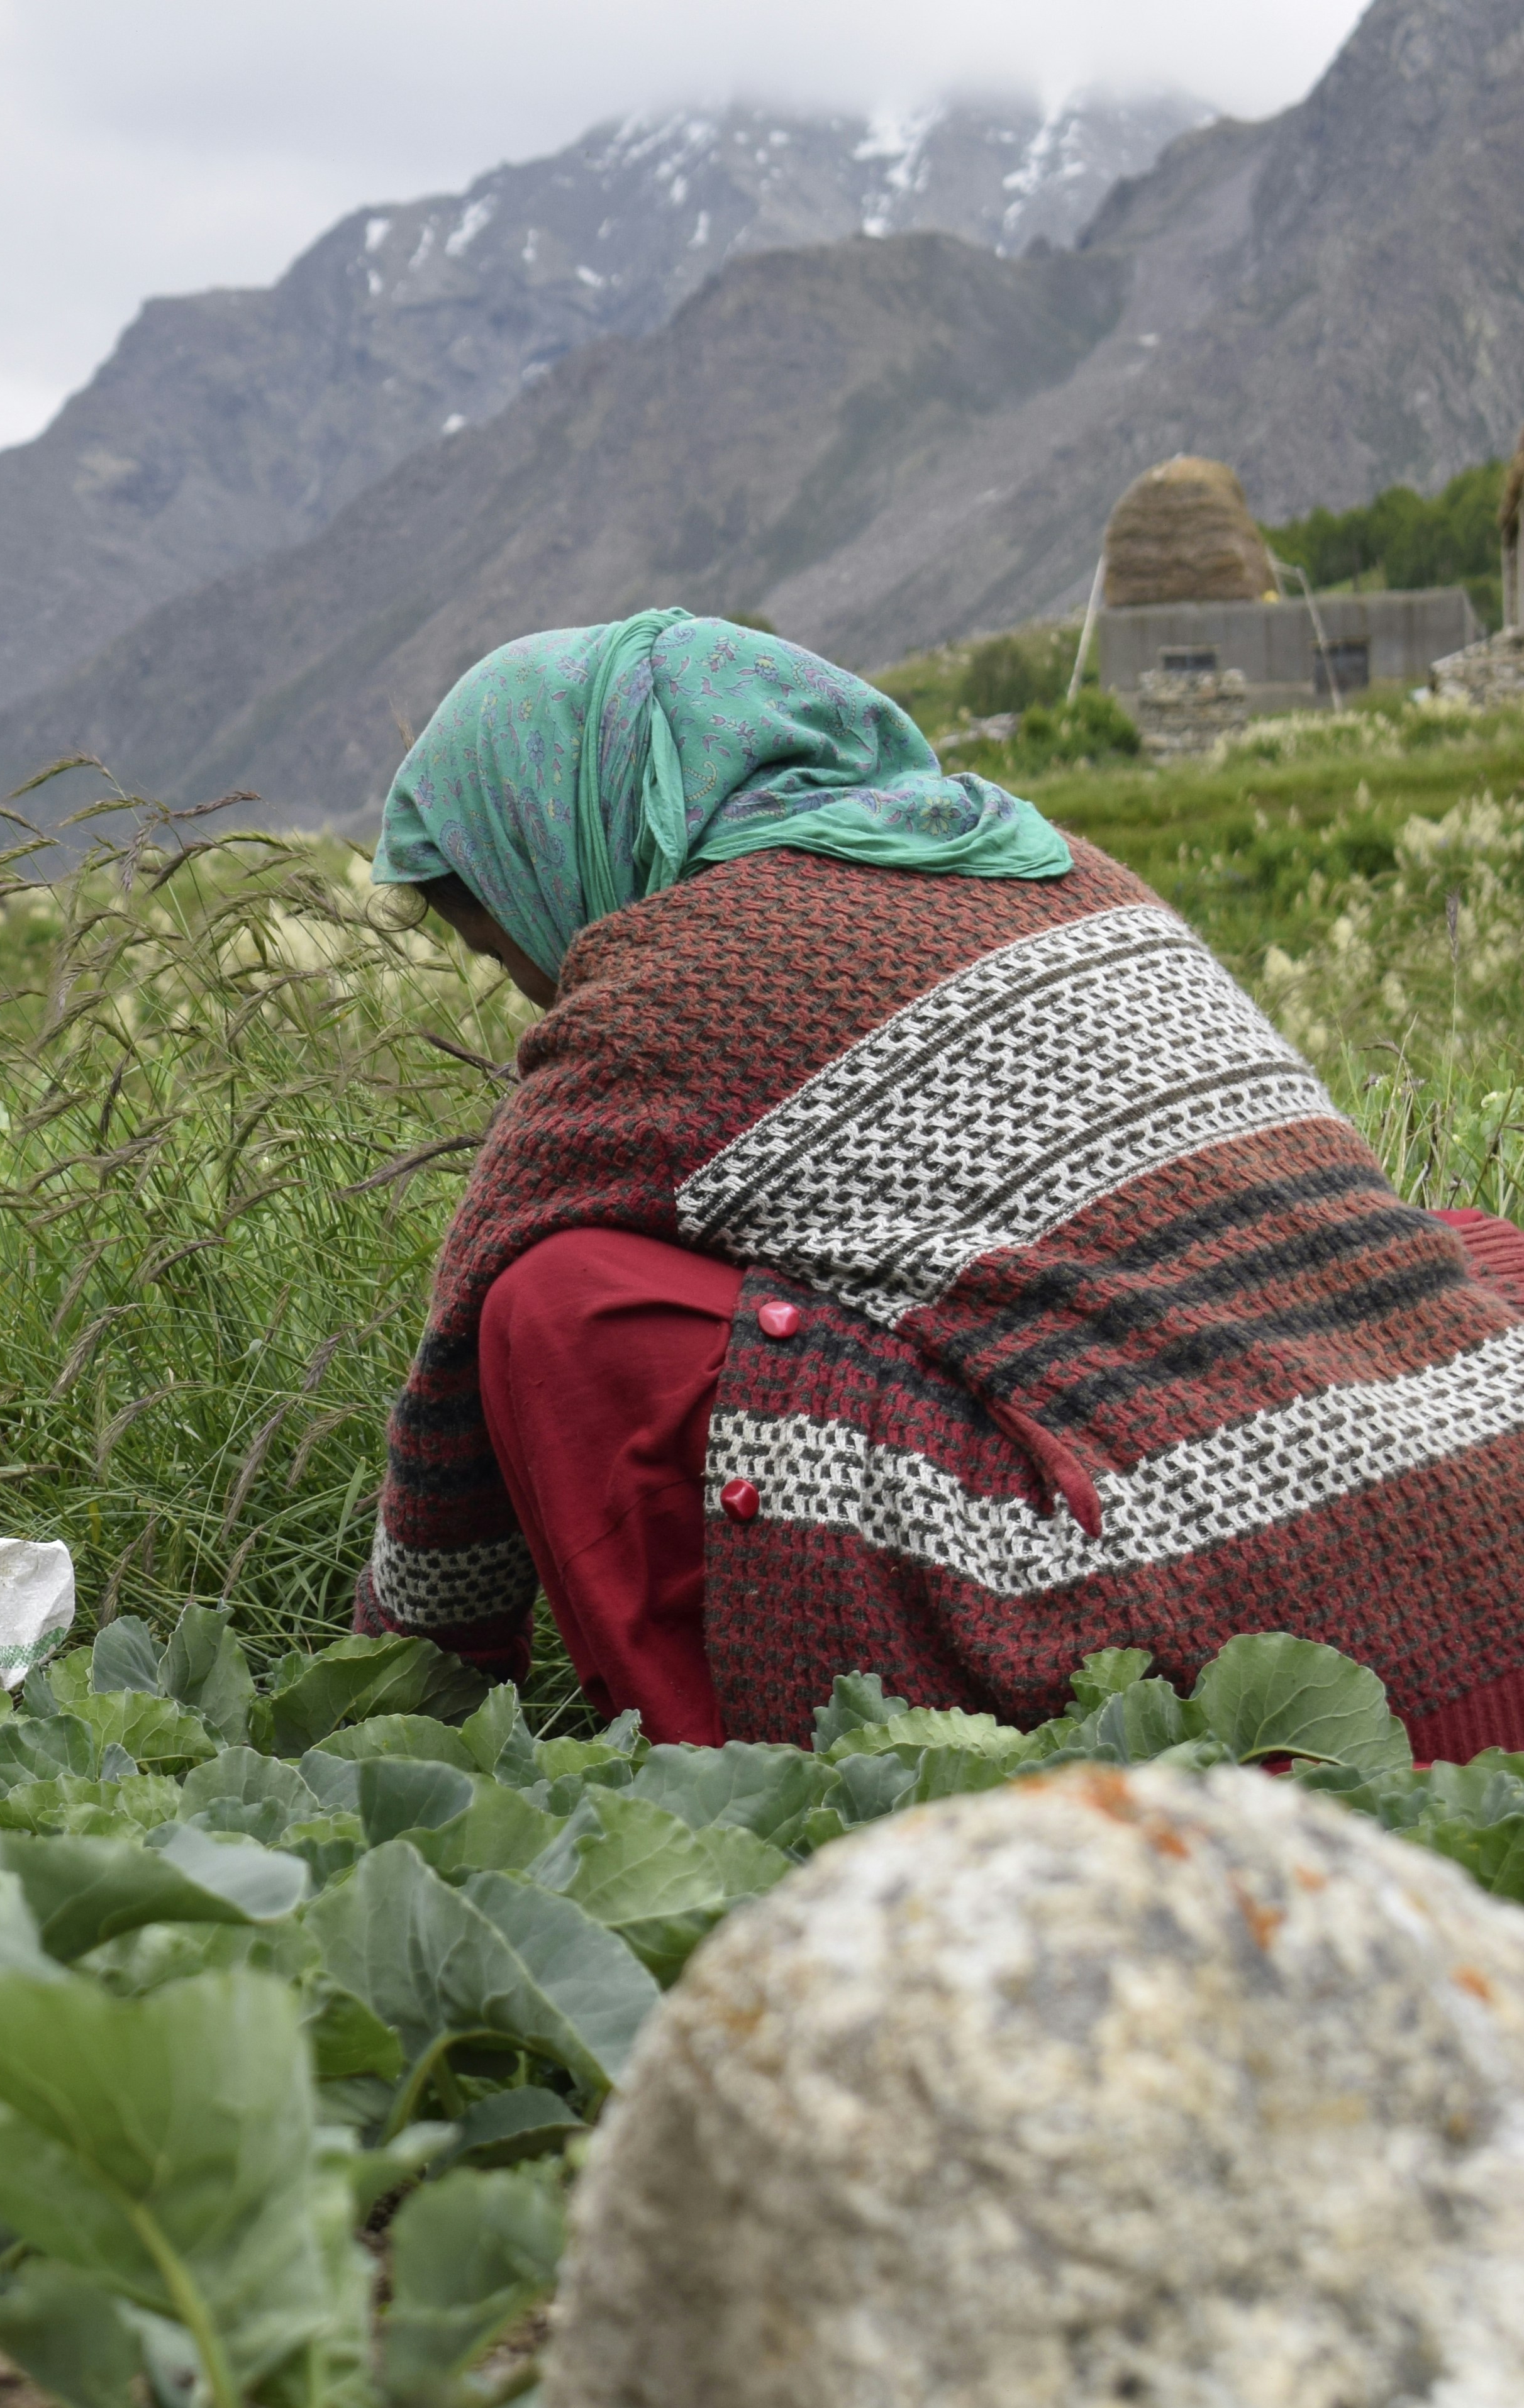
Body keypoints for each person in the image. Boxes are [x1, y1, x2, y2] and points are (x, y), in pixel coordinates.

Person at [356, 608, 1524, 1757]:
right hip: (1487, 1532)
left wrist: (403, 1712)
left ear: (550, 844)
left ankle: (747, 1789)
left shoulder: (674, 985)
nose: (522, 982)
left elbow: (455, 1391)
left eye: (492, 935)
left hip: (1242, 1677)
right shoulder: (1058, 864)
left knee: (554, 1304)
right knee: (1449, 1246)